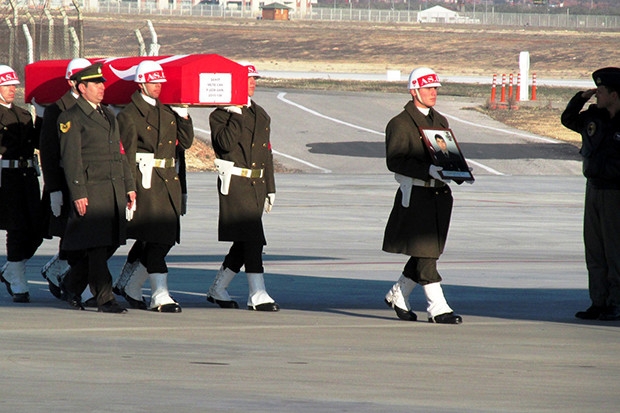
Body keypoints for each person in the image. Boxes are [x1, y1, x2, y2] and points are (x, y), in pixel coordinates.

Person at [382, 67, 463, 324]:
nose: (433, 93)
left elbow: (446, 154)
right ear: (414, 91)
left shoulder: (440, 121)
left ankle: (399, 293)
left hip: (439, 195)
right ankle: (438, 307)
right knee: (427, 253)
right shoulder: (399, 124)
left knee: (426, 251)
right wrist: (427, 169)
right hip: (416, 195)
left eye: (436, 88)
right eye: (428, 88)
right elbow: (395, 161)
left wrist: (458, 170)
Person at [114, 60, 194, 313]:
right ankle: (159, 294)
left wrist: (183, 114)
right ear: (141, 84)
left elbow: (187, 143)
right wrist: (129, 187)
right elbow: (125, 154)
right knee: (156, 239)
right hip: (144, 182)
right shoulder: (129, 115)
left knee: (162, 238)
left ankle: (128, 284)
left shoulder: (167, 112)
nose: (158, 86)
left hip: (167, 181)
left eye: (160, 82)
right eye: (153, 82)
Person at [57, 63, 136, 313]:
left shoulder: (107, 114)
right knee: (99, 246)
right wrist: (79, 193)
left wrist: (129, 186)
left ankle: (70, 284)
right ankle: (105, 297)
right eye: (97, 84)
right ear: (82, 88)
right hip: (91, 191)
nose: (103, 87)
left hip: (112, 190)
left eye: (103, 83)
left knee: (108, 243)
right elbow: (71, 160)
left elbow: (120, 154)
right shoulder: (71, 117)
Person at [207, 62, 279, 312]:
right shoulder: (220, 115)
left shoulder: (262, 115)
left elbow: (266, 154)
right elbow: (225, 144)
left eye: (254, 79)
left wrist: (270, 187)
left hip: (257, 184)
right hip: (236, 184)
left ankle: (218, 288)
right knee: (253, 240)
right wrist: (235, 113)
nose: (252, 83)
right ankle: (257, 293)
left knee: (244, 241)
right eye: (247, 79)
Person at [561, 67, 620, 321]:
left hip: (616, 192)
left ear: (615, 95)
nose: (597, 94)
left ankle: (616, 302)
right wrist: (580, 98)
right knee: (594, 250)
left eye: (601, 90)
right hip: (594, 189)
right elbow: (568, 119)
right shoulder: (593, 118)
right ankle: (598, 301)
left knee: (615, 251)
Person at [37, 58, 95, 305]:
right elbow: (48, 153)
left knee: (84, 233)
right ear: (73, 82)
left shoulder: (95, 106)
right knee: (73, 233)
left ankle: (61, 271)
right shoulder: (57, 110)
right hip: (64, 181)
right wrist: (54, 189)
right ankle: (68, 277)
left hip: (89, 180)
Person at [0, 64, 43, 303]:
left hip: (27, 176)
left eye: (13, 85)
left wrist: (43, 115)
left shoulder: (24, 114)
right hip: (6, 178)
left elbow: (38, 142)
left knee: (37, 229)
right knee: (16, 228)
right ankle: (17, 278)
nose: (12, 90)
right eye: (6, 86)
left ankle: (10, 268)